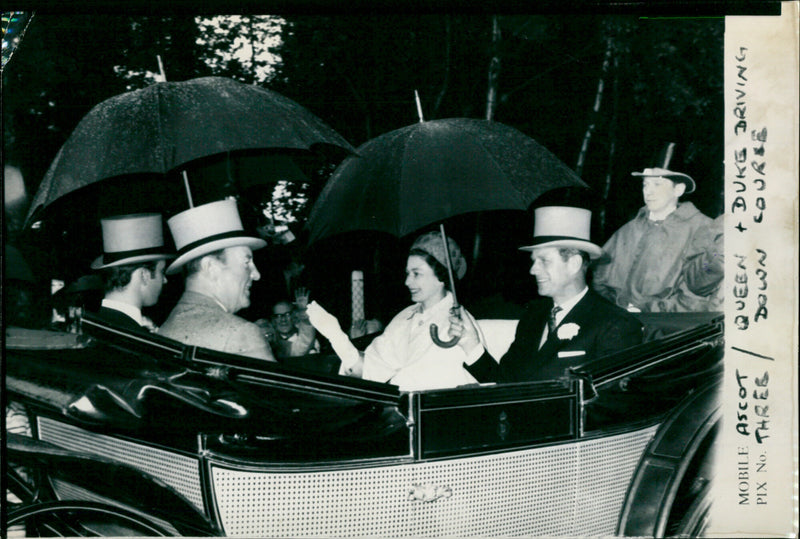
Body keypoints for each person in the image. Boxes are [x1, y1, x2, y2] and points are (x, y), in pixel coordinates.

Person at [456, 206, 643, 384]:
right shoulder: (533, 316)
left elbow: (609, 404)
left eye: (544, 261)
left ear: (574, 264)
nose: (532, 270)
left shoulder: (614, 324)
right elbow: (506, 384)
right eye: (534, 261)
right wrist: (471, 344)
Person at [307, 231, 480, 391]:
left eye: (416, 274)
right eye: (407, 273)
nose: (407, 282)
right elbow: (369, 371)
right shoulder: (404, 317)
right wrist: (336, 336)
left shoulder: (460, 324)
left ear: (442, 276)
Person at [592, 144, 716, 312]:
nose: (648, 192)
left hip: (667, 327)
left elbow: (699, 292)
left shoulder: (703, 229)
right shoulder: (628, 230)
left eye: (657, 184)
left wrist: (649, 310)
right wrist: (614, 310)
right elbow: (598, 279)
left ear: (678, 189)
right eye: (645, 185)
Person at [158, 199, 276, 362]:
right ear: (210, 267)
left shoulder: (164, 330)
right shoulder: (241, 332)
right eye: (247, 262)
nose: (256, 274)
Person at [90, 213, 173, 331]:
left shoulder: (96, 326)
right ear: (144, 275)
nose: (165, 280)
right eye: (161, 271)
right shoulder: (132, 336)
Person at [258, 288, 320, 359]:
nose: (283, 319)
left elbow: (304, 343)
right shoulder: (271, 341)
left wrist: (303, 312)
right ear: (273, 320)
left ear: (294, 316)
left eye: (287, 314)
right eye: (278, 316)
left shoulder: (310, 340)